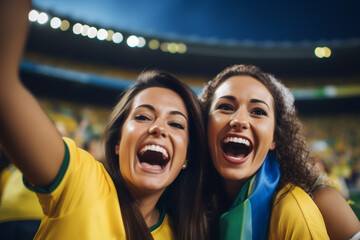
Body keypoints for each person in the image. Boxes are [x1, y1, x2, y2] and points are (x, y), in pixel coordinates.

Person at [0, 0, 209, 239]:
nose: (158, 128)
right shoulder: (81, 182)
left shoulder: (182, 232)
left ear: (187, 158)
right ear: (117, 142)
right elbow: (4, 89)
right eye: (143, 116)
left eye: (176, 124)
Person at [200, 64, 331, 239]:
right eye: (226, 107)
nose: (239, 120)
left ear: (274, 138)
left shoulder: (293, 209)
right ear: (204, 124)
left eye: (258, 111)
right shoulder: (189, 203)